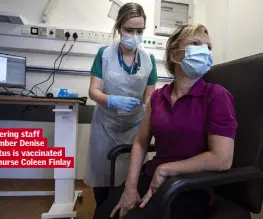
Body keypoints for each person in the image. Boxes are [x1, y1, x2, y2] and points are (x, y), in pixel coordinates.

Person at [93, 24, 238, 219]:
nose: (204, 51)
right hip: (153, 177)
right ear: (174, 55)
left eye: (208, 47)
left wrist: (167, 169)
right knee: (104, 213)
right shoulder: (158, 97)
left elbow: (222, 159)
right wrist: (131, 186)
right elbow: (140, 142)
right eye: (195, 43)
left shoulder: (217, 95)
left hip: (190, 187)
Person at [84, 2, 158, 214]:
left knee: (129, 178)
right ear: (119, 28)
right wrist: (112, 100)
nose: (134, 35)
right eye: (129, 29)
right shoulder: (104, 55)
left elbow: (150, 98)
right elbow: (93, 91)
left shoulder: (148, 60)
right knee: (103, 176)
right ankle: (102, 210)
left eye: (139, 31)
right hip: (105, 126)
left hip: (134, 127)